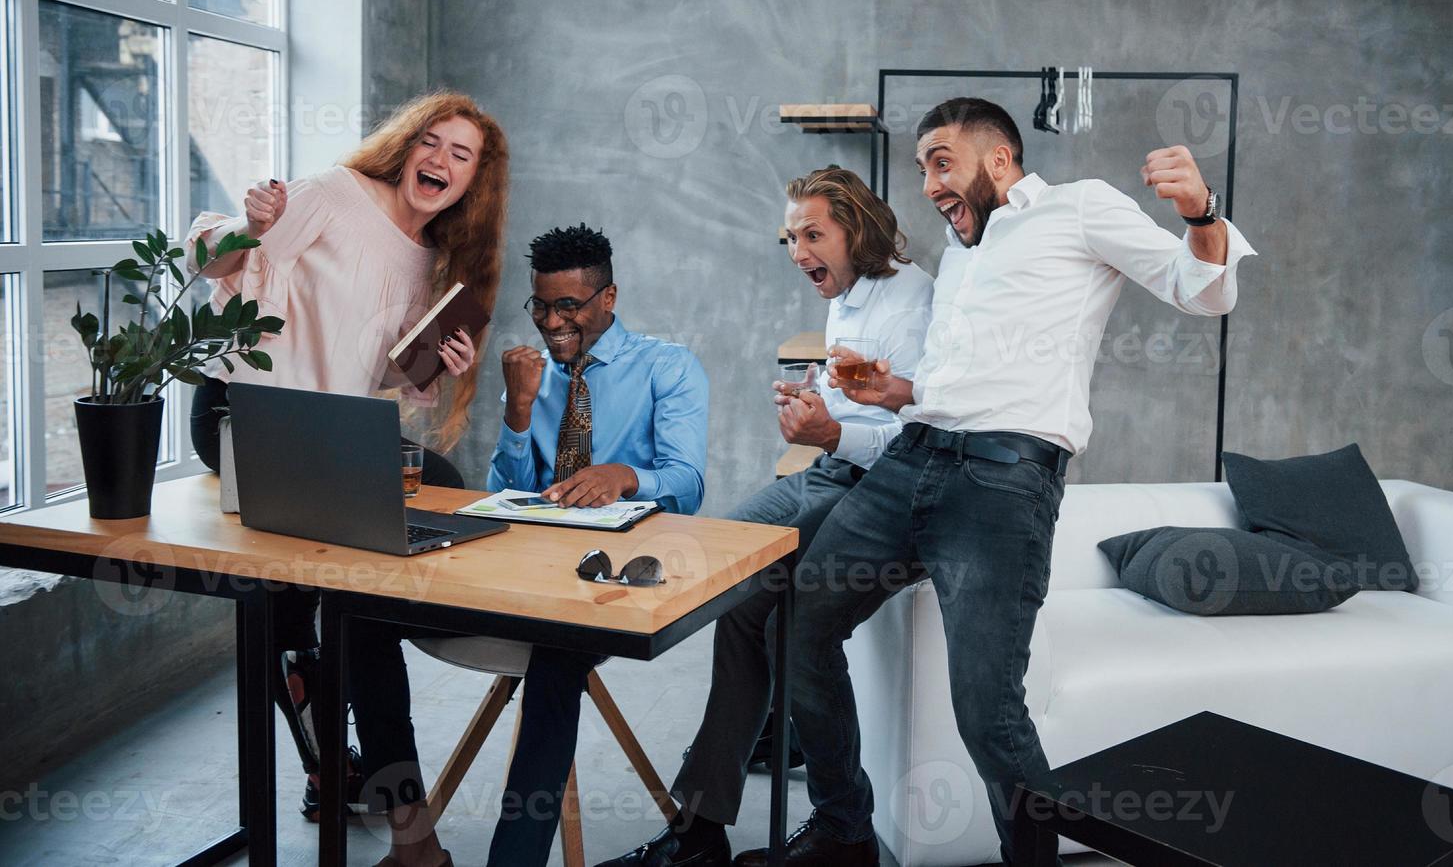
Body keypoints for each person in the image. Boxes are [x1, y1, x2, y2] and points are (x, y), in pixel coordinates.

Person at [732, 98, 1257, 867]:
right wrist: (894, 391)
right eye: (922, 170)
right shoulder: (959, 255)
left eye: (942, 162)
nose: (929, 183)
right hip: (912, 459)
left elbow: (1204, 291)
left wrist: (1201, 211)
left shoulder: (1081, 210)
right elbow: (953, 385)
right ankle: (845, 834)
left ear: (1000, 160)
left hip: (1001, 484)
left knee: (986, 709)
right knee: (799, 626)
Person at [183, 90, 510, 823]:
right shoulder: (335, 194)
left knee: (440, 491)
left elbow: (376, 372)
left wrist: (431, 364)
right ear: (406, 144)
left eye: (461, 155)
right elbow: (208, 264)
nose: (440, 160)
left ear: (473, 182)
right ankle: (368, 781)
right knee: (338, 592)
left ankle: (333, 742)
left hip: (327, 428)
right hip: (245, 412)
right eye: (432, 141)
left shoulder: (431, 261)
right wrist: (250, 225)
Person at [599, 166, 932, 867]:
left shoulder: (913, 299)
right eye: (791, 237)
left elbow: (915, 437)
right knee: (729, 575)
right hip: (832, 467)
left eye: (813, 234)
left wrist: (832, 432)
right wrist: (811, 401)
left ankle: (801, 822)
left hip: (880, 483)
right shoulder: (846, 294)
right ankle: (704, 822)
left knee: (780, 618)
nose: (798, 252)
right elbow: (851, 396)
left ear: (857, 230)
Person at [354, 224, 709, 867]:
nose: (551, 322)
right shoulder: (532, 372)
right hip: (512, 572)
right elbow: (503, 495)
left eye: (568, 306)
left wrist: (625, 476)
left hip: (599, 583)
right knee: (358, 618)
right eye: (541, 306)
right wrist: (518, 416)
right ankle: (415, 845)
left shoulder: (668, 367)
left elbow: (687, 486)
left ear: (608, 298)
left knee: (556, 659)